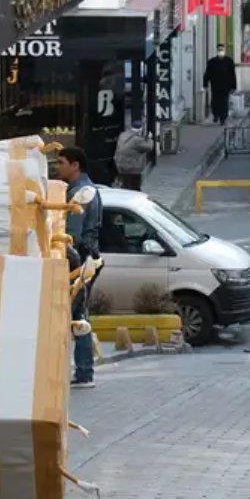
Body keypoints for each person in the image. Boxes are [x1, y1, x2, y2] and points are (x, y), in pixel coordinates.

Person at [58, 147, 103, 389]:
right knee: (78, 315)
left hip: (79, 262)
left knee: (76, 315)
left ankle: (84, 371)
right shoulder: (91, 189)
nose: (58, 167)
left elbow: (70, 237)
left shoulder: (80, 195)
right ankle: (84, 370)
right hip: (88, 259)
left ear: (75, 165)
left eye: (62, 162)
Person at [114, 119, 154, 191]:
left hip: (120, 166)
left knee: (125, 185)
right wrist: (150, 138)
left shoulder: (122, 135)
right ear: (140, 129)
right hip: (133, 168)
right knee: (135, 187)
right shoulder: (137, 140)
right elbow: (149, 147)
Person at [203, 44, 237, 125]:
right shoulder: (212, 61)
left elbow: (233, 74)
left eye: (222, 49)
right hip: (215, 85)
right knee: (215, 101)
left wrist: (234, 86)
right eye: (219, 50)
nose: (221, 51)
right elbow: (207, 73)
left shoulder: (229, 61)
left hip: (226, 85)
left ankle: (223, 118)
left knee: (224, 102)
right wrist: (205, 84)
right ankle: (216, 115)